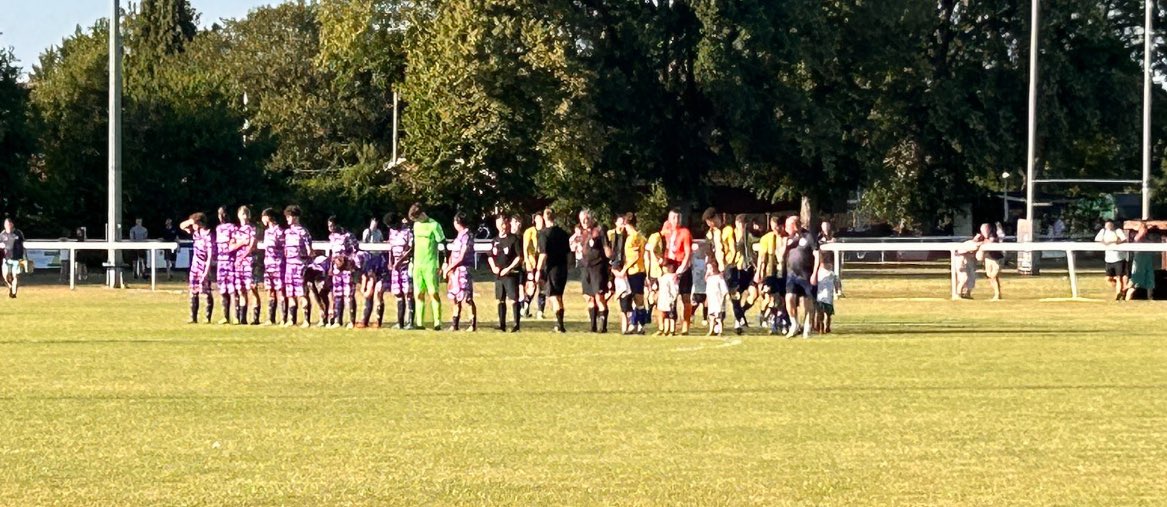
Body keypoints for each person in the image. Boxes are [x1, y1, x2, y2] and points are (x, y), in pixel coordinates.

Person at [703, 208, 744, 334]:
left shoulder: (728, 230)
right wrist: (711, 267)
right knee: (717, 296)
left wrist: (727, 265)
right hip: (716, 270)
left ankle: (738, 319)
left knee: (733, 294)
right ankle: (718, 323)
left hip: (728, 267)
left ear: (715, 218)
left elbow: (732, 249)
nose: (709, 224)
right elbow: (709, 253)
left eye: (710, 221)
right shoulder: (709, 234)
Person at [783, 216, 821, 338]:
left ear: (795, 225)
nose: (786, 228)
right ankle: (794, 324)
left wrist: (815, 273)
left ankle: (807, 327)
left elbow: (817, 254)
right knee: (789, 298)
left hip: (806, 275)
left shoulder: (808, 236)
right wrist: (785, 245)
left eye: (788, 226)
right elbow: (780, 256)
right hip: (791, 274)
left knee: (807, 302)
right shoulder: (788, 239)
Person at [410, 203, 447, 330]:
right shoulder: (416, 225)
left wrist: (443, 262)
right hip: (418, 265)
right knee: (418, 294)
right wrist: (411, 260)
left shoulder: (434, 225)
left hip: (430, 265)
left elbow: (443, 244)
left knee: (433, 293)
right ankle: (420, 323)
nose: (416, 221)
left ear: (421, 214)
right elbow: (413, 245)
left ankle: (437, 322)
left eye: (417, 217)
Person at [536, 208, 571, 333]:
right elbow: (568, 253)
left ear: (544, 218)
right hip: (563, 267)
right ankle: (560, 324)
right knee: (559, 296)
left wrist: (537, 270)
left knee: (553, 297)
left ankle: (559, 325)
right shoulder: (563, 233)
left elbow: (543, 254)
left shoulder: (544, 234)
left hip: (551, 269)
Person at [578, 209, 612, 333]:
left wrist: (611, 257)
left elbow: (607, 248)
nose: (584, 221)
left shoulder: (599, 231)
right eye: (582, 219)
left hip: (598, 267)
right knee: (589, 297)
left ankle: (603, 326)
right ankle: (592, 326)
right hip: (585, 267)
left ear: (591, 219)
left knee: (599, 297)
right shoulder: (581, 232)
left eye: (587, 218)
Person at [489, 213, 523, 332]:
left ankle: (516, 324)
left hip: (510, 274)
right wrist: (494, 267)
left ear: (507, 224)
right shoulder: (495, 240)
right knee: (500, 299)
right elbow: (490, 256)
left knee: (514, 299)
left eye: (503, 223)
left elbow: (519, 257)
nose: (501, 226)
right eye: (499, 224)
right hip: (499, 275)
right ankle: (502, 324)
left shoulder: (514, 239)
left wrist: (508, 269)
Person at [663, 208, 694, 334]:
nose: (676, 220)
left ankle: (685, 325)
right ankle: (671, 325)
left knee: (685, 297)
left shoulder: (685, 232)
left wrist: (682, 268)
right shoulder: (667, 232)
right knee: (671, 297)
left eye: (678, 218)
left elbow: (688, 253)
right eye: (673, 218)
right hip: (671, 266)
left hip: (683, 266)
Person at [444, 212, 476, 331]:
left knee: (467, 297)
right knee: (455, 297)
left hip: (463, 270)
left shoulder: (467, 236)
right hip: (455, 271)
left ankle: (472, 324)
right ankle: (455, 324)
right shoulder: (459, 236)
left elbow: (462, 256)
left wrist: (450, 266)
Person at [178, 213, 213, 323]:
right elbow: (182, 226)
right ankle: (193, 317)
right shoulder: (195, 233)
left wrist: (206, 271)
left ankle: (207, 318)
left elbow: (210, 255)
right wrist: (190, 221)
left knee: (206, 291)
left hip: (204, 266)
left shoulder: (208, 234)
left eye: (195, 224)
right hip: (195, 266)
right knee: (193, 290)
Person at [283, 205, 314, 328]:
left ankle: (306, 320)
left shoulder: (303, 232)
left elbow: (309, 250)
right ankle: (292, 319)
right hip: (289, 266)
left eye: (289, 217)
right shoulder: (287, 232)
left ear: (295, 217)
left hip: (300, 266)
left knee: (302, 293)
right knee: (290, 293)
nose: (287, 219)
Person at [756, 215, 787, 334]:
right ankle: (773, 321)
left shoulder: (786, 238)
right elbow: (762, 257)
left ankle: (782, 321)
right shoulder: (766, 239)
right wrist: (759, 272)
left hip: (784, 273)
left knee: (783, 299)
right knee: (773, 298)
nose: (776, 230)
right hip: (771, 274)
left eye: (777, 227)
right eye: (773, 228)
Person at [618, 213, 648, 335]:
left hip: (636, 271)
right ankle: (635, 325)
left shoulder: (634, 237)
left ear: (626, 224)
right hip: (634, 271)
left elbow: (635, 256)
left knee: (638, 299)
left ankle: (640, 325)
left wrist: (624, 270)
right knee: (635, 299)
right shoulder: (635, 236)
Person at [385, 212, 415, 329]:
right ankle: (400, 322)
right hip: (395, 266)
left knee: (408, 292)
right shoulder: (392, 232)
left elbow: (411, 248)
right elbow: (391, 248)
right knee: (398, 293)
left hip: (405, 265)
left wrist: (400, 261)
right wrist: (390, 261)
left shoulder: (407, 232)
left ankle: (411, 322)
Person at [231, 206, 260, 325]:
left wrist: (242, 257)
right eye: (243, 213)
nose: (245, 216)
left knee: (252, 288)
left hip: (249, 262)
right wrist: (242, 242)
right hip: (238, 264)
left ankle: (255, 318)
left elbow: (252, 246)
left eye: (246, 213)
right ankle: (242, 318)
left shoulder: (252, 229)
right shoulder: (236, 231)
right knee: (240, 289)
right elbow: (230, 247)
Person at [259, 208, 285, 325]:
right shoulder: (266, 232)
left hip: (278, 265)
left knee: (280, 291)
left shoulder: (279, 231)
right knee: (270, 291)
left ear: (268, 217)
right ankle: (271, 318)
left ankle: (284, 318)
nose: (262, 220)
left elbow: (284, 248)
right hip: (268, 265)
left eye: (263, 217)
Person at [213, 207, 238, 324]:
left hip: (231, 261)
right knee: (223, 290)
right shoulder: (218, 228)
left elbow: (234, 244)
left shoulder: (233, 228)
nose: (221, 216)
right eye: (219, 214)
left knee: (233, 290)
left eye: (223, 213)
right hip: (221, 262)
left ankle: (236, 316)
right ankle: (225, 316)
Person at [1095, 220, 1128, 300]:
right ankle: (1121, 289)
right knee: (1108, 279)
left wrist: (1114, 241)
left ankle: (1118, 294)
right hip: (1108, 259)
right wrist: (1104, 243)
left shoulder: (1118, 231)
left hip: (1118, 258)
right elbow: (1097, 239)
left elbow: (1124, 239)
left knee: (1118, 277)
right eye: (1107, 225)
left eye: (1110, 224)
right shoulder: (1103, 231)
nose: (1109, 226)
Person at [522, 212, 545, 319]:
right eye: (538, 219)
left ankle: (540, 311)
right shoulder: (530, 231)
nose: (540, 221)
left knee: (542, 286)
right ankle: (525, 308)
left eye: (542, 219)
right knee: (531, 286)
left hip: (543, 263)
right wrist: (527, 261)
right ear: (534, 220)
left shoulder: (545, 231)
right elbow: (525, 247)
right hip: (532, 263)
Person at [1126, 221, 1157, 300]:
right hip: (1139, 262)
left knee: (1150, 280)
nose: (1144, 230)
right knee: (1135, 281)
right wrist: (1142, 226)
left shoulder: (1148, 240)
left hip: (1148, 263)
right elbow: (1140, 235)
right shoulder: (1137, 238)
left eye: (1145, 229)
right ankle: (1125, 294)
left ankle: (1150, 298)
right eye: (1142, 229)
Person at [974, 223, 1004, 300]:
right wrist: (976, 239)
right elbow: (974, 242)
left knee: (993, 276)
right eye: (982, 230)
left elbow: (990, 242)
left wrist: (981, 243)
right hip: (988, 258)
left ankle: (997, 294)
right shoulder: (981, 237)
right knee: (990, 276)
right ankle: (996, 294)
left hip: (996, 258)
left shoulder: (993, 235)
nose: (984, 232)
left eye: (985, 230)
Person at [1, 218, 28, 299]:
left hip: (17, 259)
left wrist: (25, 257)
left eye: (9, 224)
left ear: (12, 224)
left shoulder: (18, 233)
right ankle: (10, 287)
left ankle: (13, 293)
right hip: (6, 259)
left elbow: (24, 244)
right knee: (6, 276)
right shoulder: (2, 234)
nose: (8, 226)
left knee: (15, 276)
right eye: (6, 224)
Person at [704, 253, 729, 337]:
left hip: (718, 300)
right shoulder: (709, 279)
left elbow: (724, 290)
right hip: (712, 300)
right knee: (711, 316)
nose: (709, 270)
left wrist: (723, 299)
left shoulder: (719, 278)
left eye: (710, 268)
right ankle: (711, 330)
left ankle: (720, 330)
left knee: (718, 316)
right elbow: (708, 291)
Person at [814, 257, 840, 334]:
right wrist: (837, 291)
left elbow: (837, 283)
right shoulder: (832, 274)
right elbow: (837, 283)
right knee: (827, 314)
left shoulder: (819, 272)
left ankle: (821, 327)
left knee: (820, 313)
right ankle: (825, 327)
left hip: (821, 297)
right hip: (826, 297)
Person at [329, 254, 356, 328]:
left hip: (347, 268)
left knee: (348, 295)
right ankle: (338, 321)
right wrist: (332, 265)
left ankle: (351, 321)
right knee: (338, 295)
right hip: (336, 269)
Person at [655, 261, 680, 336]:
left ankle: (672, 330)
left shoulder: (672, 277)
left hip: (669, 298)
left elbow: (674, 288)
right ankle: (666, 330)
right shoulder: (662, 277)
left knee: (671, 315)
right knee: (665, 315)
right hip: (663, 299)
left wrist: (673, 297)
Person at [689, 242, 709, 328]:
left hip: (704, 283)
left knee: (706, 302)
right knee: (696, 302)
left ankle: (705, 318)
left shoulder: (705, 261)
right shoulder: (694, 261)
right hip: (697, 283)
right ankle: (691, 315)